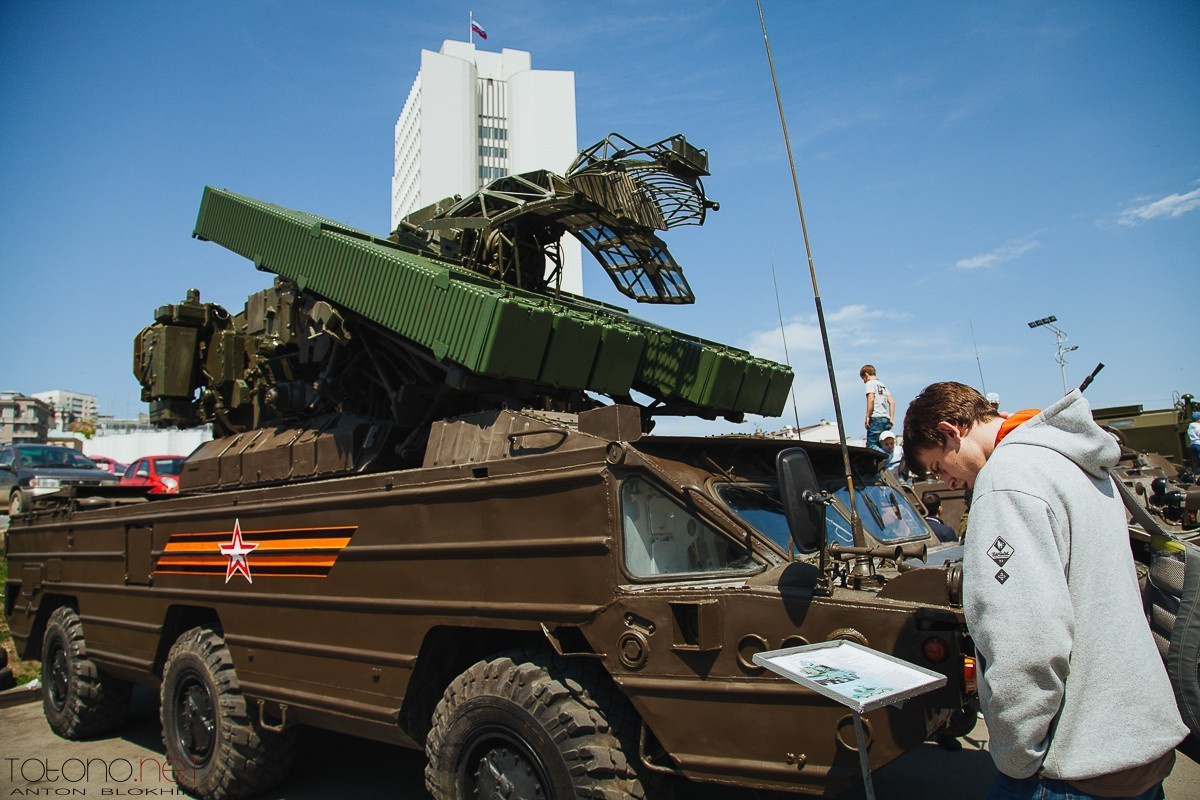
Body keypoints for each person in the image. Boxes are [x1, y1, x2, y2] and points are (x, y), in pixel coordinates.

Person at [903, 381, 1186, 800]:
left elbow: (1025, 639)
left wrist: (1018, 756)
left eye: (938, 467)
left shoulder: (1005, 479)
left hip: (1073, 761)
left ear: (950, 431)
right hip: (1136, 738)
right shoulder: (1074, 460)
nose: (947, 481)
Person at [860, 364, 895, 452]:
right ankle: (887, 461)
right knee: (884, 444)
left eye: (863, 378)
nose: (864, 381)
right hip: (885, 418)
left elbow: (871, 399)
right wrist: (891, 418)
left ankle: (885, 457)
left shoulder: (870, 383)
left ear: (866, 374)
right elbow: (892, 402)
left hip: (876, 418)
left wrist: (867, 416)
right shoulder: (882, 385)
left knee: (871, 445)